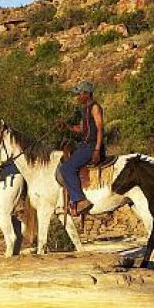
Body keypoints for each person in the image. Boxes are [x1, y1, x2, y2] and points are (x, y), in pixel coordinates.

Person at [60, 81, 104, 217]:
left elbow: (100, 129)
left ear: (86, 94)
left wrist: (97, 149)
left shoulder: (95, 108)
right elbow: (82, 129)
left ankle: (79, 199)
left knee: (66, 168)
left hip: (91, 146)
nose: (77, 97)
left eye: (79, 94)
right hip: (85, 145)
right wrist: (67, 126)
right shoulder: (84, 109)